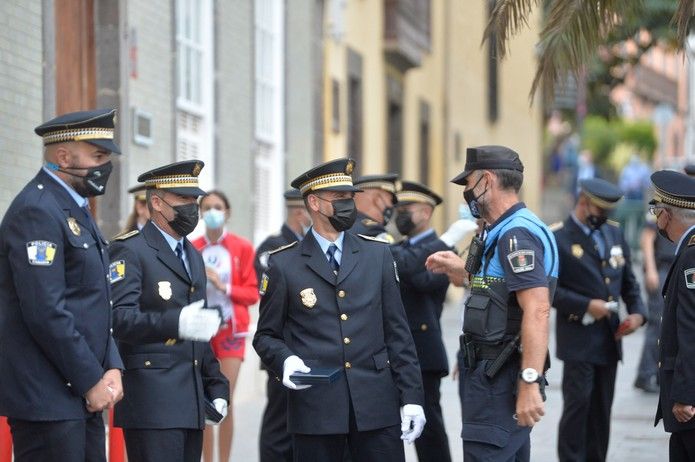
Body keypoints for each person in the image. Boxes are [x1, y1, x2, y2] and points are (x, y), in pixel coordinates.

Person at [253, 158, 425, 462]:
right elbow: (266, 336)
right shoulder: (284, 264)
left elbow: (398, 333)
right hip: (316, 412)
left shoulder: (378, 255)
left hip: (376, 407)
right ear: (315, 203)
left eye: (350, 197)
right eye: (340, 199)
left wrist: (412, 398)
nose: (349, 205)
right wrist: (286, 360)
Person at [0, 108, 124, 461]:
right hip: (48, 399)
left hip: (78, 393)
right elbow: (46, 311)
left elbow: (94, 301)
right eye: (97, 156)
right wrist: (90, 380)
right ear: (63, 156)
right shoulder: (37, 210)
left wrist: (111, 364)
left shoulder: (75, 209)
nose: (105, 166)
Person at [425, 145, 558, 461]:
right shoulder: (503, 231)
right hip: (491, 374)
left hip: (500, 378)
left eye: (468, 184)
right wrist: (462, 271)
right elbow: (502, 293)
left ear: (486, 180)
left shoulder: (517, 235)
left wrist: (530, 381)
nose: (467, 193)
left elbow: (537, 309)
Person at [109, 160, 229, 462]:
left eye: (194, 200)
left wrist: (216, 384)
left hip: (190, 399)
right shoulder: (130, 250)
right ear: (157, 202)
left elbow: (198, 330)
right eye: (184, 199)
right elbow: (118, 319)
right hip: (152, 399)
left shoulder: (192, 254)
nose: (193, 207)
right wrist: (175, 322)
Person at [552, 178, 646, 462]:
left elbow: (629, 281)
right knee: (577, 409)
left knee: (601, 412)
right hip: (578, 339)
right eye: (600, 211)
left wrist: (638, 314)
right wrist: (585, 306)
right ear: (583, 202)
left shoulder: (613, 235)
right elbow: (548, 291)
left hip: (609, 338)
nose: (604, 218)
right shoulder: (558, 237)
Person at [191, 190, 260, 462]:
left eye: (217, 206)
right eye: (206, 207)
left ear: (227, 212)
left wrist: (223, 285)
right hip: (200, 330)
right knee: (204, 400)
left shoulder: (242, 248)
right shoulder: (192, 246)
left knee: (225, 400)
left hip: (230, 330)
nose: (212, 212)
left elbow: (252, 293)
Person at [392, 181, 452, 462]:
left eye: (407, 208)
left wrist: (395, 256)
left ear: (426, 213)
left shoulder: (442, 249)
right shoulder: (399, 248)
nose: (399, 214)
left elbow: (423, 281)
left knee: (429, 433)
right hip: (394, 351)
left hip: (424, 352)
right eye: (397, 208)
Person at [255, 188, 310, 462]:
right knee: (279, 426)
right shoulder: (272, 248)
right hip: (283, 351)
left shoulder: (309, 247)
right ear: (301, 212)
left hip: (307, 353)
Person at [651, 170, 695, 461]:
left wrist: (686, 394)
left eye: (656, 210)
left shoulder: (692, 256)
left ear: (667, 215)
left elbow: (691, 328)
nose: (655, 217)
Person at [350, 173, 399, 239]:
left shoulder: (338, 227)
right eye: (390, 200)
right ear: (378, 200)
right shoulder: (373, 230)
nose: (391, 206)